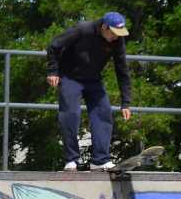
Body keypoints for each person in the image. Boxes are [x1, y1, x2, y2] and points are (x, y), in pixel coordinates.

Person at [46, 11, 133, 171]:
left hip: (93, 79)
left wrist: (125, 102)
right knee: (71, 114)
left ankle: (100, 160)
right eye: (114, 33)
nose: (116, 37)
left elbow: (122, 69)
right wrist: (53, 71)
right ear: (104, 27)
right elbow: (54, 46)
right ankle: (71, 159)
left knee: (103, 112)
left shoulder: (117, 41)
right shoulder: (83, 29)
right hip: (70, 77)